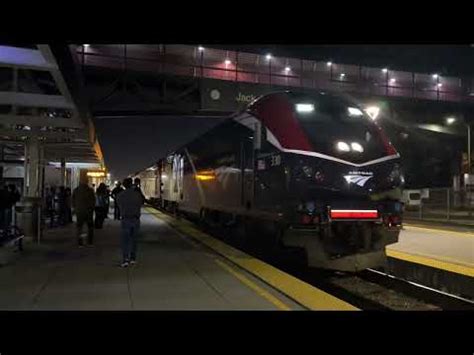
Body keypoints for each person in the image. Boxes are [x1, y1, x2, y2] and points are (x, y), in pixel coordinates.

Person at [116, 178, 144, 267]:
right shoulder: (137, 194)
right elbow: (141, 203)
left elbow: (118, 204)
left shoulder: (120, 195)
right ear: (131, 184)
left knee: (125, 240)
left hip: (125, 219)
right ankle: (133, 258)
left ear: (124, 185)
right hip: (135, 219)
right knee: (134, 240)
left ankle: (125, 259)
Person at [72, 174, 95, 247]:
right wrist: (92, 208)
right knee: (90, 227)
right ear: (87, 182)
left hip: (79, 211)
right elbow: (93, 201)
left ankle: (80, 243)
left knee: (79, 228)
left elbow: (73, 201)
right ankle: (90, 242)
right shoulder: (90, 190)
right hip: (88, 211)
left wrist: (75, 208)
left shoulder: (76, 190)